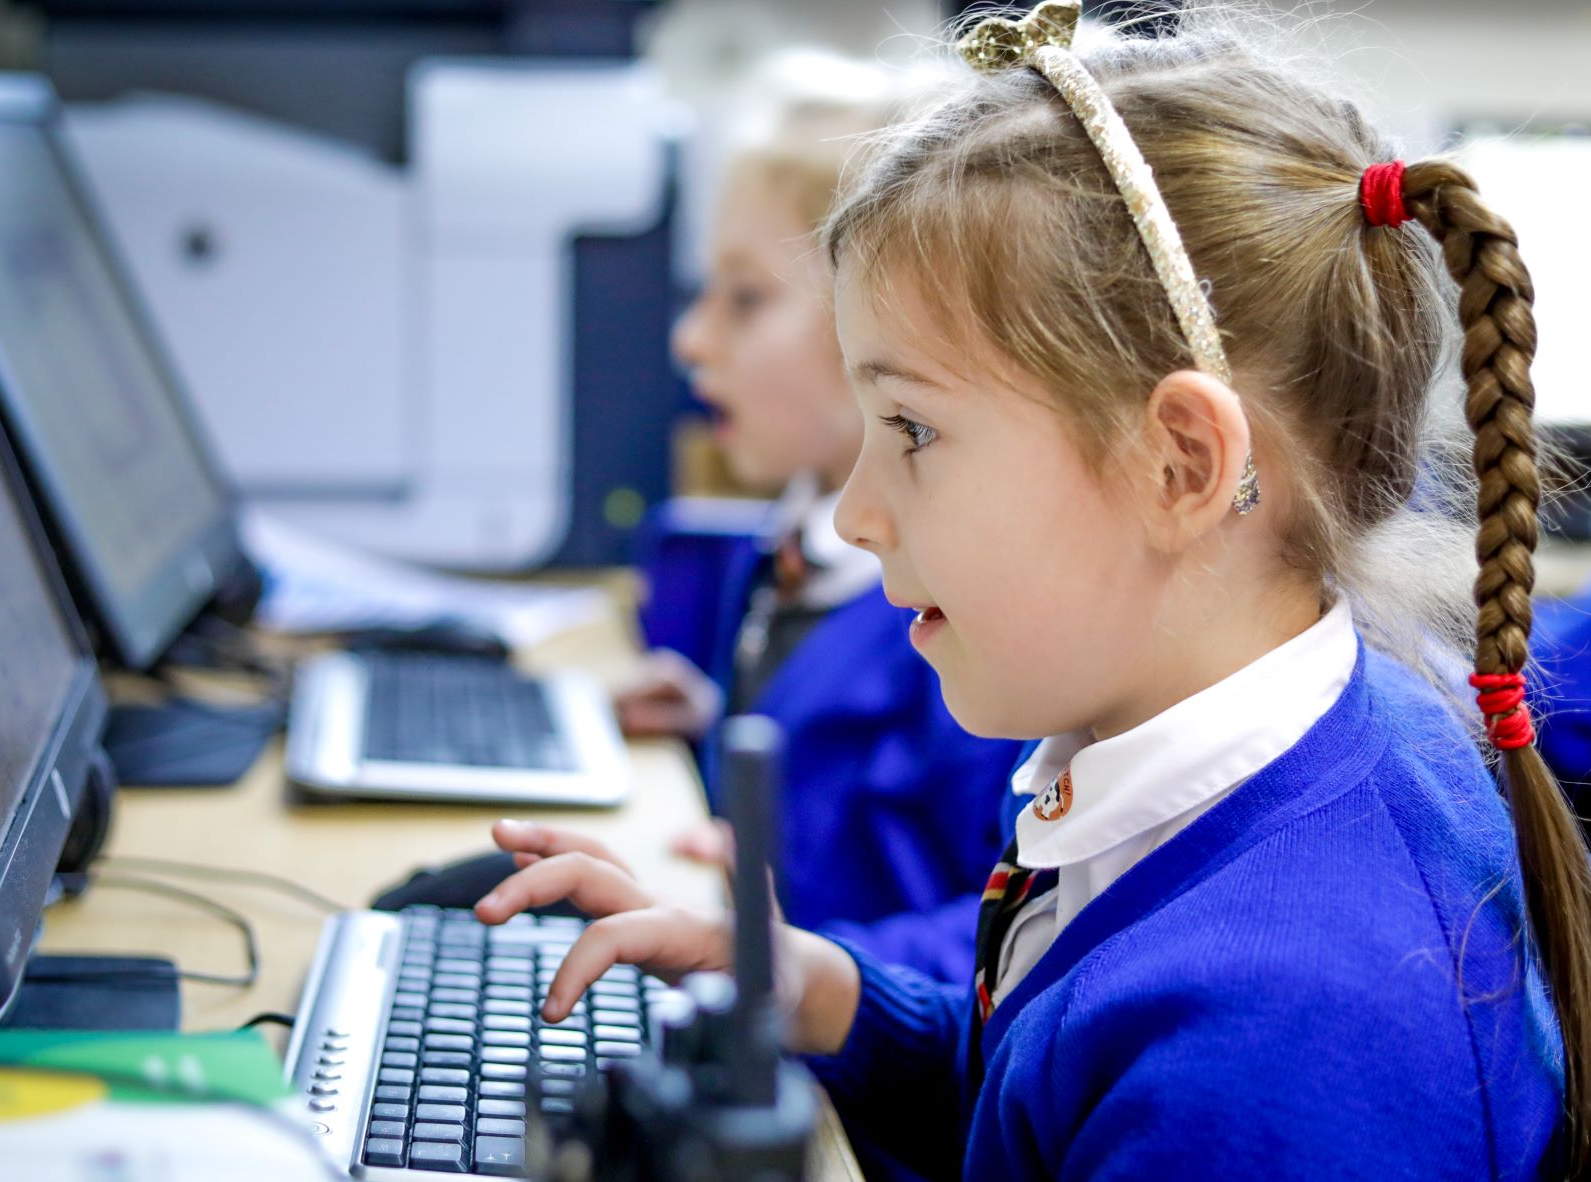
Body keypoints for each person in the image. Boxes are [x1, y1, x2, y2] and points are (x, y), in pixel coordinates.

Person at [477, 5, 1581, 1176]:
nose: (855, 512)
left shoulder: (1279, 1040)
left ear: (1182, 465)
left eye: (910, 429)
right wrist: (826, 993)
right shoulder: (1188, 756)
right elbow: (1047, 1091)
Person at [620, 53, 1026, 985]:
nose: (690, 338)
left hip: (855, 1085)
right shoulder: (795, 539)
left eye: (745, 297)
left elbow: (1014, 928)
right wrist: (713, 726)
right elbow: (838, 796)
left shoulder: (965, 619)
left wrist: (795, 961)